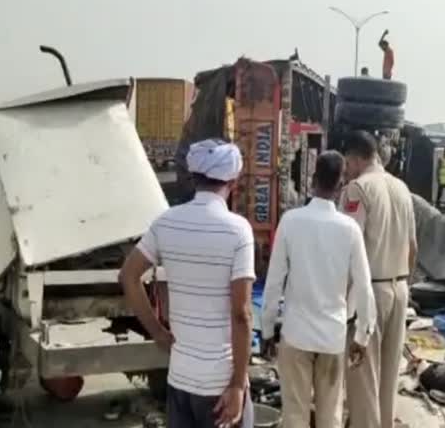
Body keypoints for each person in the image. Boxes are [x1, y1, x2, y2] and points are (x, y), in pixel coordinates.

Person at [119, 139, 255, 428]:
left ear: (194, 177)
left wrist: (156, 331)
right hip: (220, 382)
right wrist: (238, 385)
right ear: (233, 181)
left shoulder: (166, 222)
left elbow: (128, 276)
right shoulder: (238, 230)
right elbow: (241, 313)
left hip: (180, 379)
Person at [261, 151, 376, 428]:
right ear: (341, 186)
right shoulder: (349, 229)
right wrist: (362, 334)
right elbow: (364, 286)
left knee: (295, 416)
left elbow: (274, 282)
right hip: (332, 338)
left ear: (313, 181)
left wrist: (266, 330)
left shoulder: (291, 221)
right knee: (330, 417)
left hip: (296, 335)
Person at [340, 131, 417, 428]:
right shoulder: (402, 188)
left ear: (357, 158)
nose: (346, 168)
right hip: (399, 288)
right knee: (387, 379)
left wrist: (343, 298)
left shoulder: (357, 189)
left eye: (348, 161)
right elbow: (413, 248)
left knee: (362, 380)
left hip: (369, 292)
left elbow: (350, 245)